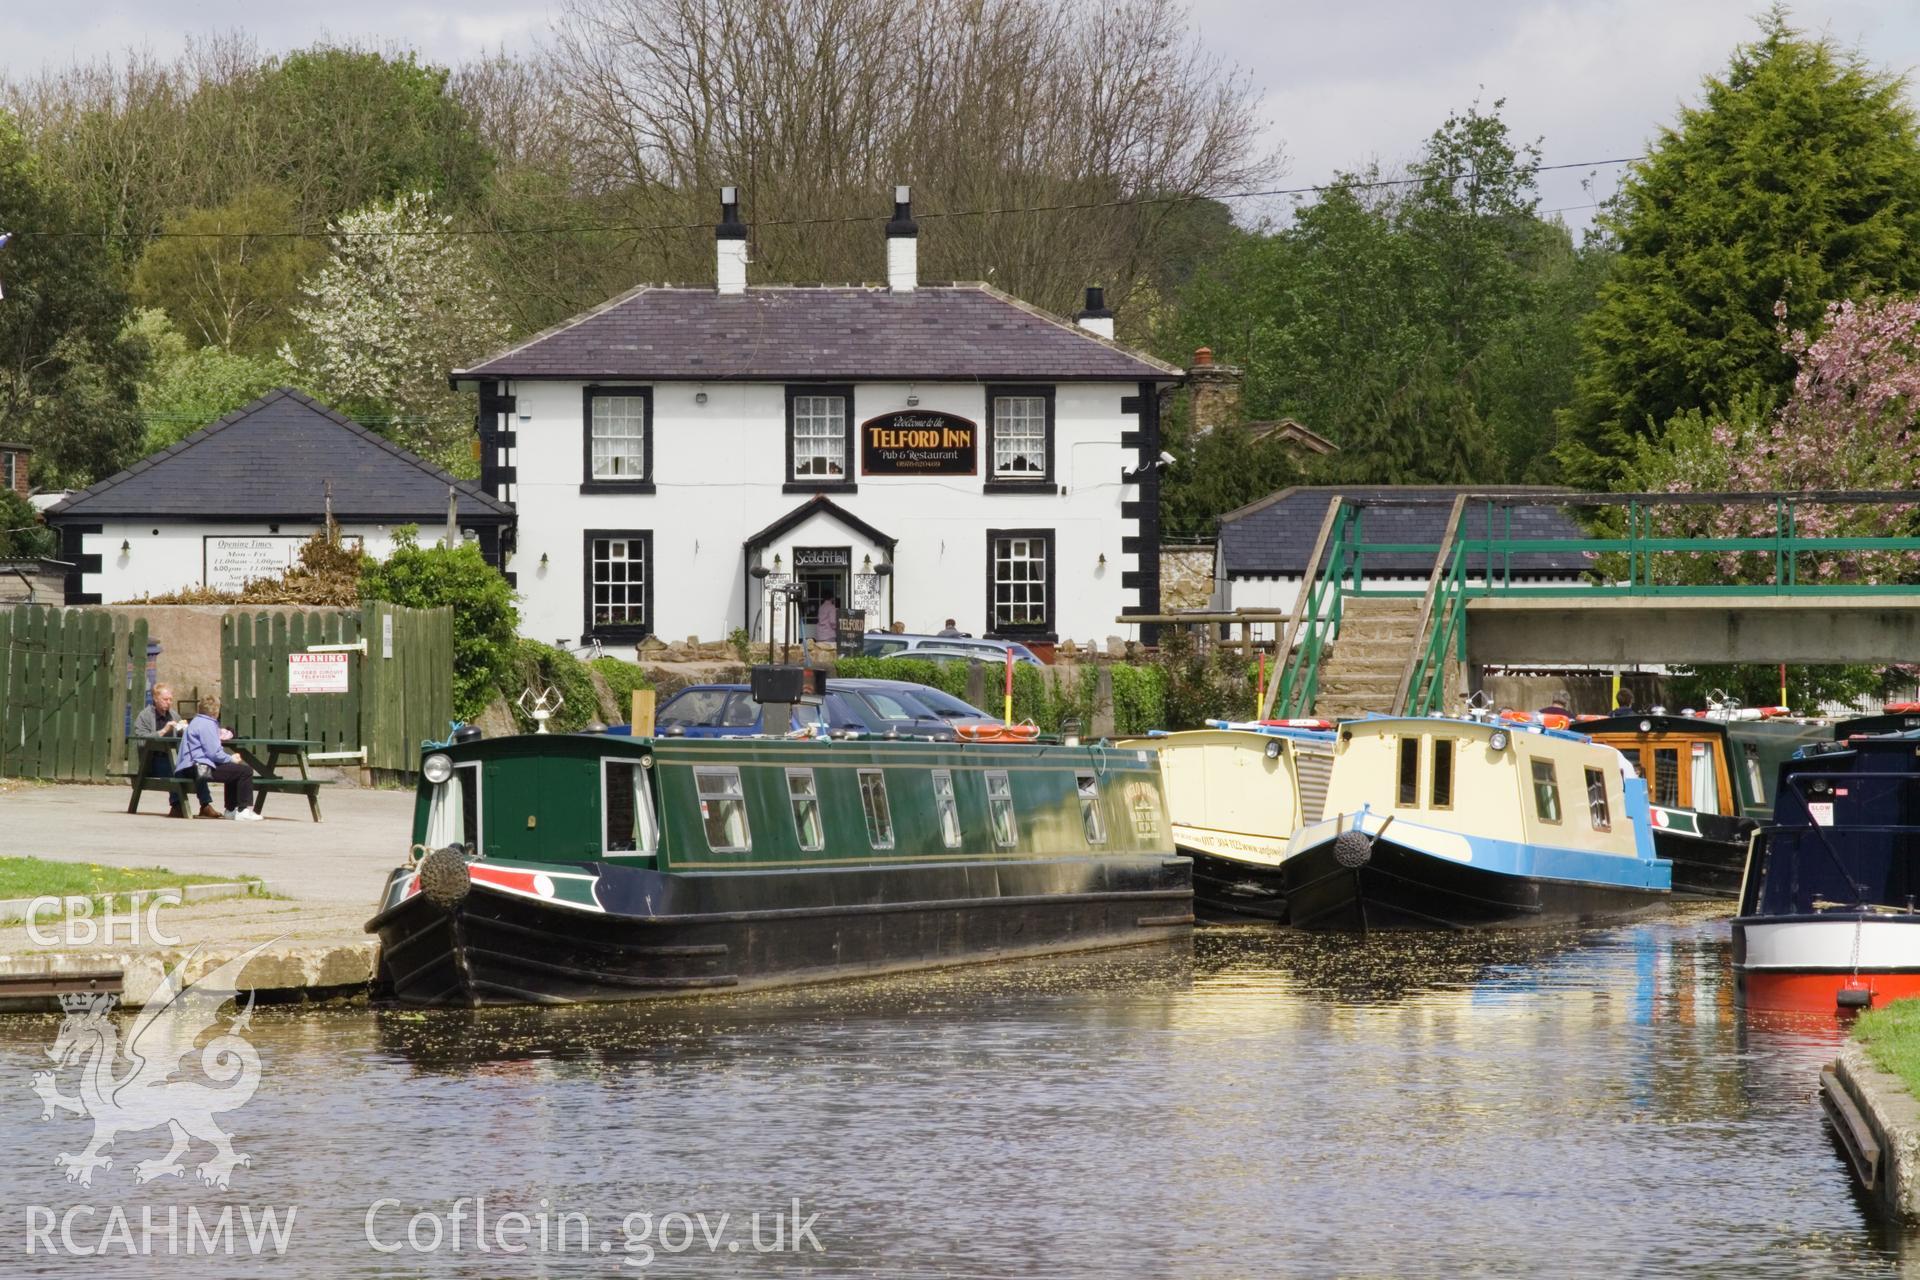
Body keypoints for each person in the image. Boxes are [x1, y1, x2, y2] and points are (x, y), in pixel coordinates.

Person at [176, 694, 260, 821]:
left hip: (188, 767)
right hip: (200, 768)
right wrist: (230, 758)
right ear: (216, 710)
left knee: (233, 771)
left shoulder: (195, 721)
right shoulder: (208, 724)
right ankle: (242, 810)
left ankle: (231, 810)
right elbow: (214, 753)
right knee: (245, 771)